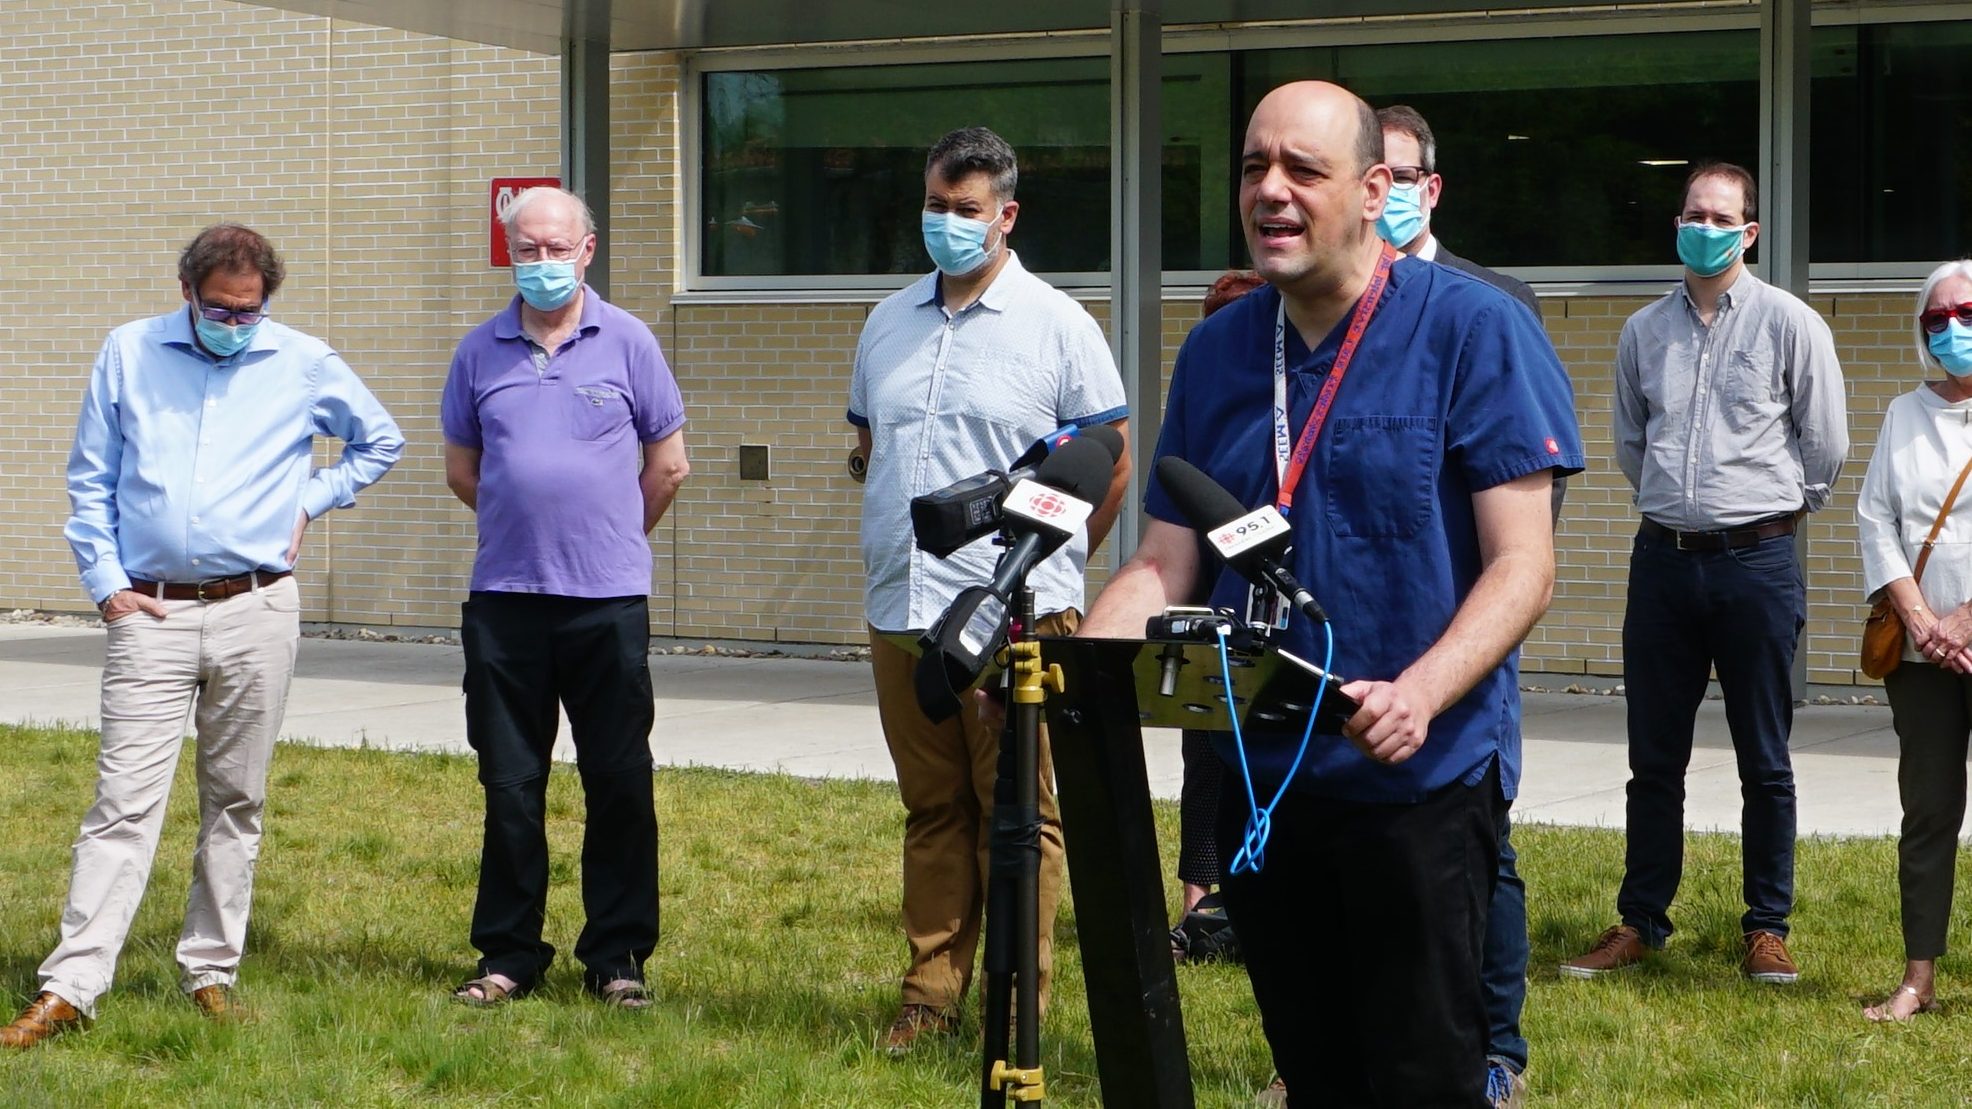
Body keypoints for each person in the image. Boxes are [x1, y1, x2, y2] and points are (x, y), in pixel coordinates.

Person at [1078, 81, 1582, 1105]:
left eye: (1302, 170)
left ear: (1373, 189)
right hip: (1263, 785)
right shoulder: (1220, 348)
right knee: (1314, 1072)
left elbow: (1523, 564)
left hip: (1420, 780)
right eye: (1255, 166)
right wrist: (1081, 665)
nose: (1271, 190)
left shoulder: (1474, 330)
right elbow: (1165, 560)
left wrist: (1423, 690)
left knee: (1421, 1078)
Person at [1, 224, 403, 1048]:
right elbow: (90, 475)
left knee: (237, 798)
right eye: (219, 309)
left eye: (248, 312)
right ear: (186, 291)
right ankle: (72, 985)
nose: (233, 324)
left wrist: (312, 498)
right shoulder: (128, 352)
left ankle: (210, 972)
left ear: (266, 302)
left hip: (257, 608)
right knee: (122, 803)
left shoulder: (304, 360)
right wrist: (106, 584)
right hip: (150, 610)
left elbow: (380, 440)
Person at [847, 125, 1130, 1055]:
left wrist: (1054, 567)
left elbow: (1109, 461)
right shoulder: (887, 320)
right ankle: (929, 995)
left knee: (1019, 815)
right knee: (933, 811)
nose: (947, 223)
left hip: (1014, 616)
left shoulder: (1060, 325)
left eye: (966, 210)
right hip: (903, 610)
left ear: (1007, 216)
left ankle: (1018, 1004)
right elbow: (869, 446)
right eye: (935, 205)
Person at [1565, 162, 1848, 984]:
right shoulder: (1642, 332)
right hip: (1662, 562)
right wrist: (1679, 506)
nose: (1704, 226)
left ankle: (1766, 925)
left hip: (1757, 562)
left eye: (1721, 216)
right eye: (1693, 212)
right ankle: (1641, 919)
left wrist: (1772, 509)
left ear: (1749, 232)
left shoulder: (1791, 324)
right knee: (1654, 758)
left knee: (1765, 756)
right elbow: (1629, 441)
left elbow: (1824, 443)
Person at [441, 186, 690, 1011]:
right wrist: (530, 524)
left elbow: (669, 464)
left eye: (556, 248)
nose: (541, 263)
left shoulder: (629, 341)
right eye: (527, 249)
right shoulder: (479, 351)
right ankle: (509, 954)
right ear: (509, 251)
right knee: (510, 783)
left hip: (607, 602)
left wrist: (611, 532)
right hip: (506, 603)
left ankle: (617, 957)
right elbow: (462, 470)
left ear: (588, 250)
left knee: (618, 778)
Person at [1377, 102, 1546, 1106]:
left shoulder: (1493, 303)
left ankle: (1496, 1046)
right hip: (1357, 622)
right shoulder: (1320, 305)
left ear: (1428, 189)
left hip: (1466, 617)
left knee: (1481, 840)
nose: (1382, 196)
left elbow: (1530, 480)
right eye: (1372, 176)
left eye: (1399, 178)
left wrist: (1483, 596)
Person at [1854, 258, 1972, 1022]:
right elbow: (1877, 518)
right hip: (1926, 653)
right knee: (1928, 809)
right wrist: (1926, 620)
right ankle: (1917, 974)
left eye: (1966, 311)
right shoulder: (1903, 411)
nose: (1953, 328)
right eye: (1938, 319)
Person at [1170, 269, 1265, 961]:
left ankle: (1253, 899)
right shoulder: (1202, 392)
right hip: (1203, 598)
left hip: (1270, 603)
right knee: (1201, 757)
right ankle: (1196, 907)